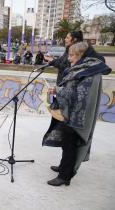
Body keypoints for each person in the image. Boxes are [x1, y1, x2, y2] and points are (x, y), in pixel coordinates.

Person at [44, 42, 111, 186]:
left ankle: (64, 177)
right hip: (71, 113)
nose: (69, 59)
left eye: (72, 55)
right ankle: (63, 167)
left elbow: (80, 95)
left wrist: (58, 90)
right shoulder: (85, 68)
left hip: (77, 117)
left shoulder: (90, 71)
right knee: (66, 143)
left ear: (82, 55)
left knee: (70, 145)